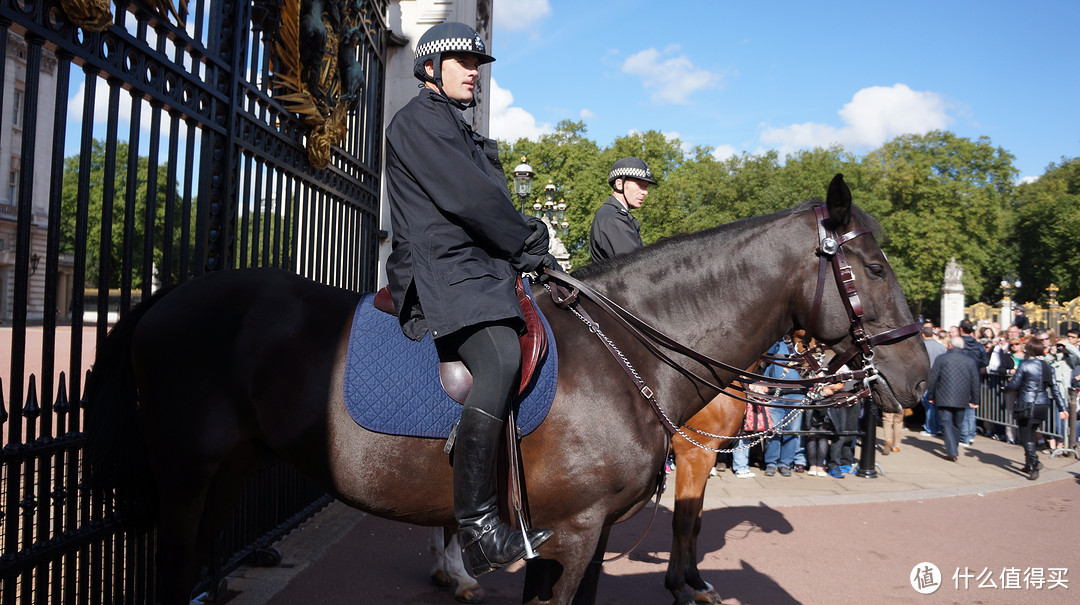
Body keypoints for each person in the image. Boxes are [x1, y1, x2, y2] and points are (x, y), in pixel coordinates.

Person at [383, 22, 554, 576]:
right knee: (502, 355)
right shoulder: (416, 122)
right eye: (463, 61)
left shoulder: (453, 126)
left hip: (474, 270)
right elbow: (471, 200)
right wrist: (526, 240)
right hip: (441, 273)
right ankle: (478, 528)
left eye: (477, 63)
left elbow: (485, 199)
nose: (474, 71)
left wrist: (525, 250)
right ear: (429, 67)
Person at [1005, 338, 1068, 480]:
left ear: (1029, 350)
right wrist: (1062, 408)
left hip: (1026, 404)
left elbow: (1014, 384)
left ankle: (1034, 462)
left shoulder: (1025, 365)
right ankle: (1028, 464)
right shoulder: (1048, 366)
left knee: (1025, 434)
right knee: (1031, 432)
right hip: (1042, 404)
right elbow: (1055, 389)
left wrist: (1006, 388)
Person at [588, 157, 656, 262]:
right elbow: (634, 266)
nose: (645, 192)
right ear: (619, 184)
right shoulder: (612, 217)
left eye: (646, 187)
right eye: (640, 185)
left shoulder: (617, 215)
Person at [926, 337, 981, 461]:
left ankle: (952, 450)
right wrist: (975, 400)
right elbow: (975, 382)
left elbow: (933, 378)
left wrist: (931, 395)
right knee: (957, 424)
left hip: (944, 396)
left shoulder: (941, 359)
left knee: (947, 423)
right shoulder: (970, 361)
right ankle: (953, 448)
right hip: (962, 397)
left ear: (950, 345)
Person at [760, 337, 803, 477]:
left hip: (796, 394)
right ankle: (771, 463)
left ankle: (785, 463)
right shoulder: (776, 343)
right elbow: (765, 353)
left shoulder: (802, 344)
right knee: (774, 431)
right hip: (775, 393)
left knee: (793, 432)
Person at [957, 320, 989, 446]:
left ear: (961, 329)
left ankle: (965, 435)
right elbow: (985, 361)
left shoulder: (960, 344)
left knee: (964, 407)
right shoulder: (979, 345)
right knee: (971, 407)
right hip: (975, 378)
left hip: (962, 379)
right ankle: (970, 434)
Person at [919, 326, 947, 437]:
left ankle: (930, 428)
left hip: (926, 377)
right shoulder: (941, 347)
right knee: (936, 404)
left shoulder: (921, 347)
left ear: (923, 335)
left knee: (928, 403)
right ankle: (939, 427)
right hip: (939, 378)